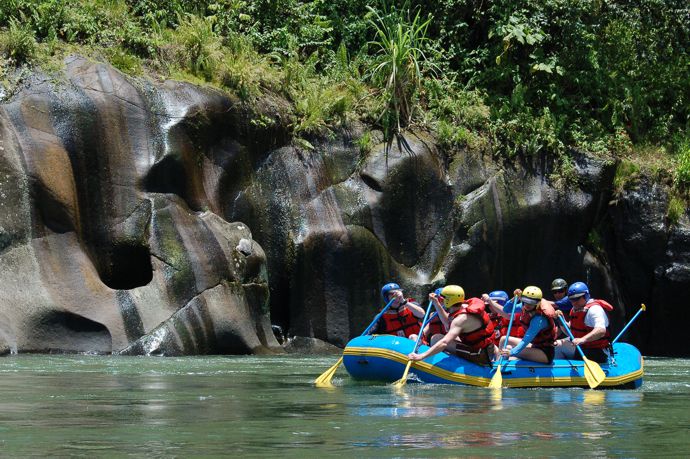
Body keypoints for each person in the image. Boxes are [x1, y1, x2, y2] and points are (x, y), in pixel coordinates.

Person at [408, 285, 496, 365]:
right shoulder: (464, 306)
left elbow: (444, 343)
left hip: (480, 354)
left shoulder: (461, 319)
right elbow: (448, 324)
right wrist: (436, 303)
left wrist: (421, 356)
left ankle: (447, 366)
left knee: (437, 340)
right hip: (483, 348)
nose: (441, 301)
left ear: (448, 301)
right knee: (436, 337)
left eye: (442, 299)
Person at [554, 281, 613, 363]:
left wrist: (582, 339)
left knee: (559, 347)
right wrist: (561, 320)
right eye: (571, 299)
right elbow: (570, 332)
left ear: (586, 296)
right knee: (556, 344)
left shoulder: (595, 309)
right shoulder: (575, 309)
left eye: (577, 298)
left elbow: (601, 331)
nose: (574, 302)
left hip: (598, 352)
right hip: (583, 347)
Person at [498, 286, 557, 364]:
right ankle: (497, 363)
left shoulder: (539, 319)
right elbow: (506, 309)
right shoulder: (524, 306)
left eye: (532, 302)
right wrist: (515, 298)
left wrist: (511, 352)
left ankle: (502, 368)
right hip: (534, 346)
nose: (528, 305)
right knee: (504, 339)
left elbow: (526, 340)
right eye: (526, 301)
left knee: (509, 349)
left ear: (538, 303)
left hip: (544, 353)